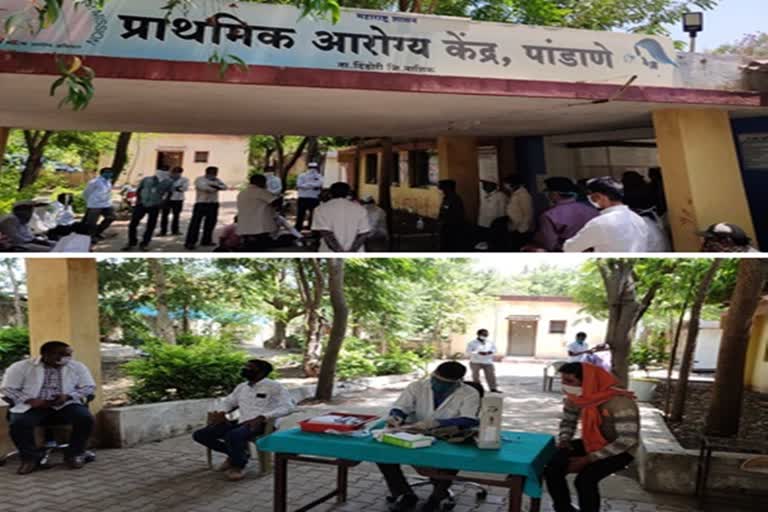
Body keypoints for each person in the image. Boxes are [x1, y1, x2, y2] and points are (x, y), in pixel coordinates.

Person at [379, 361, 481, 512]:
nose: (437, 384)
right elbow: (401, 406)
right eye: (435, 379)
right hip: (415, 432)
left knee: (452, 458)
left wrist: (436, 423)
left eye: (443, 383)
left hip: (448, 435)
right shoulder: (417, 386)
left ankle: (437, 497)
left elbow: (469, 419)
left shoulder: (470, 393)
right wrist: (396, 416)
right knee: (383, 454)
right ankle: (404, 494)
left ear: (457, 383)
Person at [545, 362, 639, 512]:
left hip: (621, 450)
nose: (564, 385)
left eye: (569, 381)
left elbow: (627, 440)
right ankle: (563, 508)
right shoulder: (575, 398)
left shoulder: (621, 403)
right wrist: (564, 439)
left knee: (585, 480)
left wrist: (587, 459)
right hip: (591, 442)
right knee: (552, 466)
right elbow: (568, 421)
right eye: (562, 380)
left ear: (588, 381)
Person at [0, 341, 96, 475]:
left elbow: (89, 387)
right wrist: (29, 400)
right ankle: (30, 459)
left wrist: (68, 396)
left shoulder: (77, 366)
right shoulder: (21, 367)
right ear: (46, 354)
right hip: (33, 405)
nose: (67, 357)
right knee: (18, 423)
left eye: (69, 354)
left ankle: (75, 454)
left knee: (85, 418)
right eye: (62, 354)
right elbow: (7, 388)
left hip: (65, 404)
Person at [192, 359, 295, 481]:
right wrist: (221, 412)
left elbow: (288, 407)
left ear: (261, 372)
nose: (245, 369)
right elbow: (229, 401)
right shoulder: (242, 387)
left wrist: (263, 417)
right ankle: (238, 455)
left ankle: (238, 466)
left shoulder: (274, 387)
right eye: (246, 366)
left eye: (250, 367)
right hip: (242, 421)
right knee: (201, 434)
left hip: (263, 424)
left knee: (233, 435)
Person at [563, 177, 649, 253]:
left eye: (592, 196)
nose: (590, 199)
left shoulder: (600, 223)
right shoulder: (638, 219)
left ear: (599, 197)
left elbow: (570, 248)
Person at [528, 177, 598, 252]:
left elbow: (550, 244)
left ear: (555, 194)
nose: (547, 196)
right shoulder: (592, 210)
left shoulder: (549, 215)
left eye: (548, 193)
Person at [124, 167, 174, 251]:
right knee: (133, 223)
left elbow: (170, 193)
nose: (162, 173)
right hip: (141, 204)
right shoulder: (147, 179)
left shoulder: (168, 182)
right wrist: (138, 201)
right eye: (161, 171)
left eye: (165, 171)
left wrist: (163, 202)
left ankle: (145, 243)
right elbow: (139, 190)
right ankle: (131, 242)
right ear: (157, 171)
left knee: (151, 225)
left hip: (155, 205)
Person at [311, 182, 370, 252]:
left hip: (329, 252)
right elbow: (363, 233)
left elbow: (326, 233)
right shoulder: (360, 209)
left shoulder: (320, 209)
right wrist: (352, 251)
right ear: (348, 193)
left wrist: (339, 251)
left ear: (330, 193)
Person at [185, 166, 228, 250]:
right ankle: (190, 242)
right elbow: (205, 188)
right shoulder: (200, 179)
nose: (215, 174)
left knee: (210, 223)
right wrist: (216, 186)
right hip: (201, 203)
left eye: (216, 172)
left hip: (213, 203)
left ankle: (206, 240)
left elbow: (225, 187)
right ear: (207, 172)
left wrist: (215, 185)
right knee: (195, 224)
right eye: (213, 172)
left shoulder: (217, 179)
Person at [236, 174, 279, 252]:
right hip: (259, 225)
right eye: (264, 182)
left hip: (245, 224)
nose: (265, 184)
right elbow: (275, 202)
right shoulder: (261, 191)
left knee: (248, 246)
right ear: (260, 182)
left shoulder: (242, 193)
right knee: (261, 246)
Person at [83, 167, 117, 241]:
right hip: (95, 205)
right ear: (102, 173)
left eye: (110, 172)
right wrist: (89, 202)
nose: (109, 174)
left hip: (106, 204)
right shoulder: (94, 181)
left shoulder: (109, 182)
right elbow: (86, 193)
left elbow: (108, 193)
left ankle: (97, 232)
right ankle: (90, 238)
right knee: (92, 222)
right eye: (107, 172)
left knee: (112, 217)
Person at [502, 176, 534, 251]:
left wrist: (522, 229)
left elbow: (528, 213)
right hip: (515, 227)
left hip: (521, 230)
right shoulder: (515, 193)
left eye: (506, 183)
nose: (505, 185)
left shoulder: (523, 194)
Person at [476, 181, 508, 250]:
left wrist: (498, 228)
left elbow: (503, 214)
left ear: (493, 185)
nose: (483, 186)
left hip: (493, 228)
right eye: (483, 184)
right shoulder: (486, 196)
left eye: (486, 184)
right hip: (482, 227)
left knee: (492, 247)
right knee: (483, 247)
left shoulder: (501, 196)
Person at [466, 329, 499, 393]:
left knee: (491, 375)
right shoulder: (472, 343)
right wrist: (478, 352)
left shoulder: (490, 342)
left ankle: (493, 388)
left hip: (488, 362)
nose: (485, 335)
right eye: (483, 334)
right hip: (475, 362)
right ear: (478, 334)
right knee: (476, 376)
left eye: (486, 334)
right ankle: (478, 389)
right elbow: (468, 351)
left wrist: (490, 352)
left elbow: (495, 350)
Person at [160, 166, 189, 237]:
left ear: (180, 173)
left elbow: (184, 188)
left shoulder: (184, 179)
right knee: (164, 216)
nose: (176, 174)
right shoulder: (166, 178)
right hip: (167, 199)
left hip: (178, 200)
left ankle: (175, 230)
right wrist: (177, 188)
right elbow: (163, 187)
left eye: (178, 172)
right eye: (174, 172)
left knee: (176, 216)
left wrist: (172, 188)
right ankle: (163, 231)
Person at [437, 179, 466, 252]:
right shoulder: (446, 198)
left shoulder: (455, 199)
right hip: (446, 226)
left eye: (443, 188)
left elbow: (458, 215)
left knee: (450, 246)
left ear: (448, 188)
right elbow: (443, 211)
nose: (442, 191)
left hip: (452, 228)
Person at [295, 162, 324, 231]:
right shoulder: (302, 175)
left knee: (313, 215)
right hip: (303, 197)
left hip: (314, 197)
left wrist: (306, 185)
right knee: (300, 214)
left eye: (314, 168)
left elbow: (320, 184)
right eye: (311, 168)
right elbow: (299, 185)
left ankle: (311, 227)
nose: (312, 170)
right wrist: (313, 185)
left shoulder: (319, 176)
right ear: (308, 168)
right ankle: (298, 228)